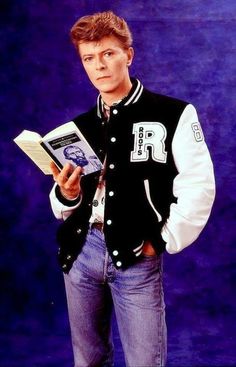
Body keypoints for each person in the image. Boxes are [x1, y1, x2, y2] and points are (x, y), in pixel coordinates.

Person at [49, 11, 215, 367]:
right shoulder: (77, 127)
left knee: (145, 361)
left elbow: (199, 186)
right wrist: (67, 192)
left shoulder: (174, 114)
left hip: (137, 253)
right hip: (82, 251)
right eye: (89, 58)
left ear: (129, 54)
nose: (99, 66)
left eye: (108, 53)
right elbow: (63, 204)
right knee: (88, 361)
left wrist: (163, 239)